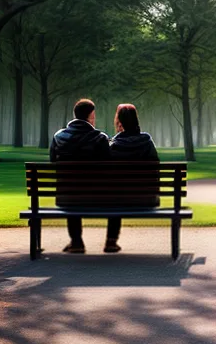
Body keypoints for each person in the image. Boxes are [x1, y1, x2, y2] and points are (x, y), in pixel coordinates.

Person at [49, 98, 111, 253]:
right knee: (83, 188)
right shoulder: (101, 138)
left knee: (71, 188)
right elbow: (109, 165)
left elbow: (52, 162)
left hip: (66, 197)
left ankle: (76, 241)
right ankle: (111, 241)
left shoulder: (58, 137)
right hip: (97, 196)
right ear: (90, 116)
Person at [104, 104, 160, 254]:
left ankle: (111, 241)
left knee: (115, 195)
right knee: (118, 194)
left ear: (119, 121)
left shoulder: (112, 146)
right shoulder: (146, 142)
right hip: (146, 198)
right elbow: (156, 167)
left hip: (117, 200)